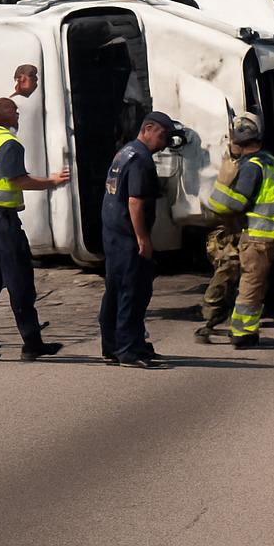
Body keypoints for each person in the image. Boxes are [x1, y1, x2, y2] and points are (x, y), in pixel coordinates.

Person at [0, 97, 70, 361]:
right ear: (6, 115)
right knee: (19, 278)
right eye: (15, 111)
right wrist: (52, 181)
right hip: (0, 219)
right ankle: (32, 343)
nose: (18, 115)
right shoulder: (9, 142)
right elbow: (19, 180)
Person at [208, 114, 274, 349]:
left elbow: (229, 204)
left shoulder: (251, 167)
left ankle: (244, 333)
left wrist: (224, 177)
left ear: (235, 140)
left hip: (262, 237)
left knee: (252, 284)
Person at [97, 112, 177, 369]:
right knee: (133, 293)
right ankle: (129, 350)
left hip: (113, 233)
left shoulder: (126, 152)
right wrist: (143, 239)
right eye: (162, 136)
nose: (164, 143)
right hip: (128, 237)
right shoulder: (142, 159)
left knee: (116, 292)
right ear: (148, 129)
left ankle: (113, 347)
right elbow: (135, 202)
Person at [196, 133, 247, 344]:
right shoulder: (230, 168)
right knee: (228, 271)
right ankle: (211, 320)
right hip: (228, 234)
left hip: (237, 231)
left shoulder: (242, 165)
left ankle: (222, 319)